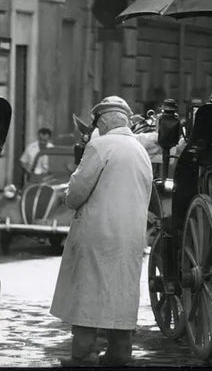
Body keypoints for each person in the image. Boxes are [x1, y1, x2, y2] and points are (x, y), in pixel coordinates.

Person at [50, 96, 153, 367]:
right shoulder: (140, 150)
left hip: (98, 233)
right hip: (130, 235)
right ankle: (120, 352)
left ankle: (84, 354)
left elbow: (76, 193)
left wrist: (69, 193)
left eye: (97, 122)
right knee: (122, 290)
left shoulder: (100, 145)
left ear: (104, 121)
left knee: (89, 292)